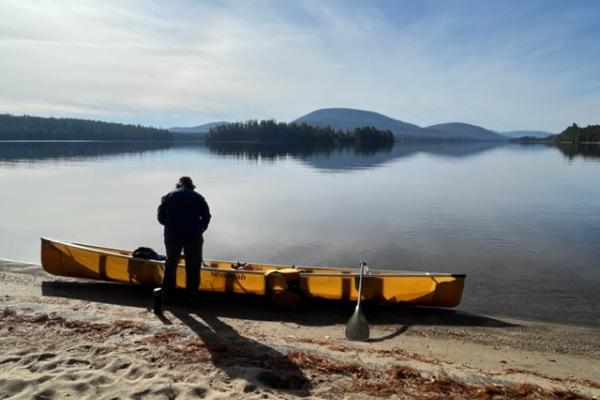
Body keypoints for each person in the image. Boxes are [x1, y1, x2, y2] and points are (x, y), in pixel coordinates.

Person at [157, 176, 211, 302]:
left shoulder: (168, 196)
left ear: (178, 184)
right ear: (192, 185)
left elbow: (160, 217)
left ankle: (168, 294)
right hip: (193, 235)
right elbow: (206, 217)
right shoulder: (198, 197)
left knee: (171, 263)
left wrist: (169, 225)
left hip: (172, 235)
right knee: (193, 265)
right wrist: (200, 229)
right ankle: (191, 296)